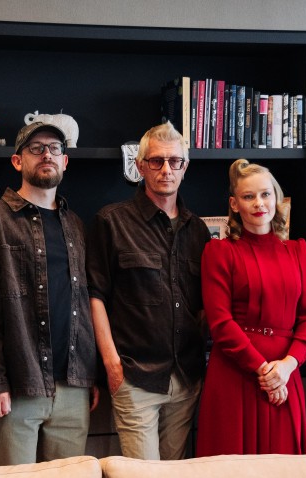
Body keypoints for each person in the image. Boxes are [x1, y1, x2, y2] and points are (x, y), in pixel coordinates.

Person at [0, 121, 98, 466]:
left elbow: (83, 304)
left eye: (55, 149)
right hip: (17, 383)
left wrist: (89, 375)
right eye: (36, 148)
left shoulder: (75, 224)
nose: (47, 155)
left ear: (65, 161)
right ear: (17, 161)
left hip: (73, 384)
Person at [87, 121, 211, 460]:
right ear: (140, 166)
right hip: (135, 375)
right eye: (156, 161)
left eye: (175, 161)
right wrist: (112, 364)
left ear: (185, 167)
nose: (166, 170)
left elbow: (204, 303)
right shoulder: (112, 222)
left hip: (186, 377)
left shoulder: (198, 230)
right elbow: (95, 296)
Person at [196, 160, 306, 456]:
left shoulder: (298, 250)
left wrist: (286, 367)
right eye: (248, 196)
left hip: (286, 373)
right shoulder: (219, 251)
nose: (259, 203)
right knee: (232, 472)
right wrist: (266, 373)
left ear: (277, 198)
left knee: (284, 472)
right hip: (235, 374)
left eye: (265, 194)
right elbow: (220, 323)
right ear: (234, 204)